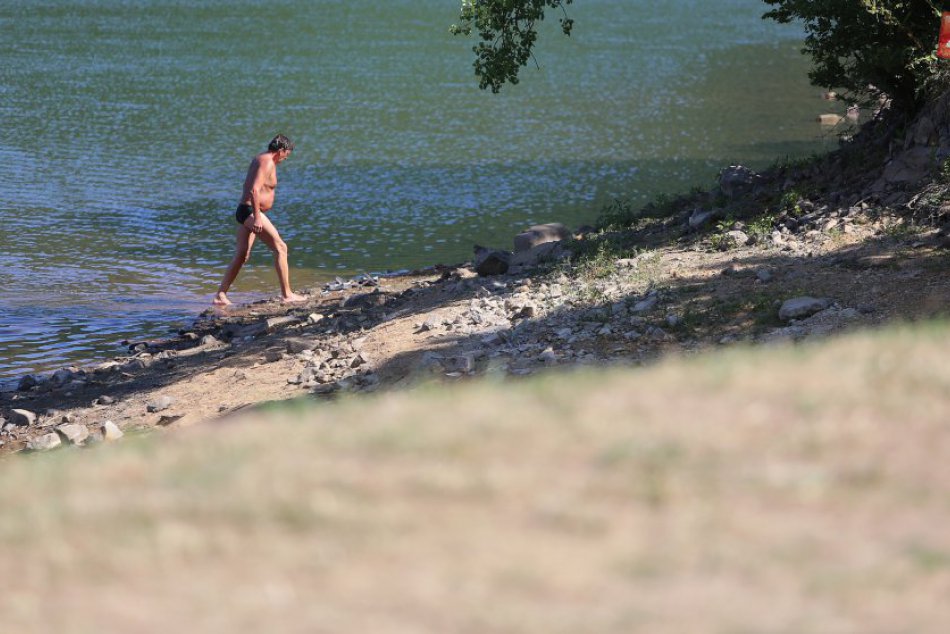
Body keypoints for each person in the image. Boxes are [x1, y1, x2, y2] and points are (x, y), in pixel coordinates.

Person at [213, 134, 306, 306]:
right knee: (281, 247)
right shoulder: (267, 162)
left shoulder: (262, 159)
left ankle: (220, 295)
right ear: (281, 150)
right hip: (251, 212)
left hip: (247, 211)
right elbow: (254, 190)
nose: (286, 158)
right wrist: (256, 217)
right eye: (287, 154)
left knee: (242, 255)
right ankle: (287, 294)